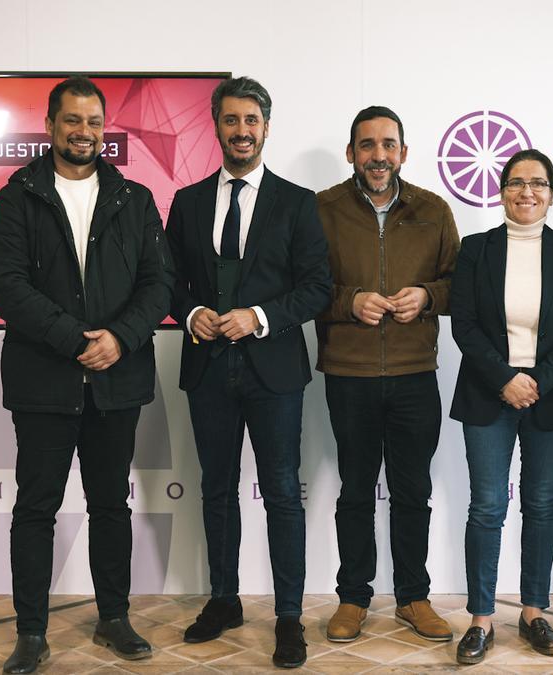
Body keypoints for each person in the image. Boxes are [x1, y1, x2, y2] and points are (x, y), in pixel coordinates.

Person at [0, 75, 171, 673]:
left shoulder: (133, 198)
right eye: (72, 120)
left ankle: (114, 617)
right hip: (44, 380)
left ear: (103, 128)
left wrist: (120, 338)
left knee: (111, 504)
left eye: (93, 121)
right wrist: (74, 340)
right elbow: (5, 284)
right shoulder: (18, 196)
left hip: (119, 379)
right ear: (50, 125)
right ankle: (31, 632)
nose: (83, 131)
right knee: (36, 507)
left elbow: (158, 282)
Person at [165, 76, 331, 669]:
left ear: (266, 126)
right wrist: (193, 313)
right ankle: (224, 600)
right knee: (216, 490)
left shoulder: (297, 202)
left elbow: (317, 287)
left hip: (274, 371)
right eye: (231, 120)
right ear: (217, 126)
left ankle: (289, 616)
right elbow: (169, 281)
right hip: (208, 368)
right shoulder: (186, 202)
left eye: (251, 121)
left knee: (283, 494)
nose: (241, 131)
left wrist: (258, 315)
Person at [314, 106, 460, 644]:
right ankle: (352, 597)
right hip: (348, 375)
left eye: (389, 145)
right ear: (351, 153)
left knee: (411, 491)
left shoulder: (433, 210)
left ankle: (413, 597)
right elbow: (304, 288)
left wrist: (426, 296)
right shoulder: (322, 209)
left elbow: (457, 285)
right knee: (355, 491)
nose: (379, 156)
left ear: (403, 151)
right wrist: (349, 302)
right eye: (367, 145)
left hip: (415, 374)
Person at [448, 149, 553, 664]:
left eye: (537, 183)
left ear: (552, 194)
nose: (525, 192)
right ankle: (481, 620)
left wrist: (536, 381)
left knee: (541, 505)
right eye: (515, 182)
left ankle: (534, 612)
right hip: (489, 394)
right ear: (501, 189)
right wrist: (506, 378)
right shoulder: (476, 249)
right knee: (487, 507)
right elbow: (462, 323)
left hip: (549, 397)